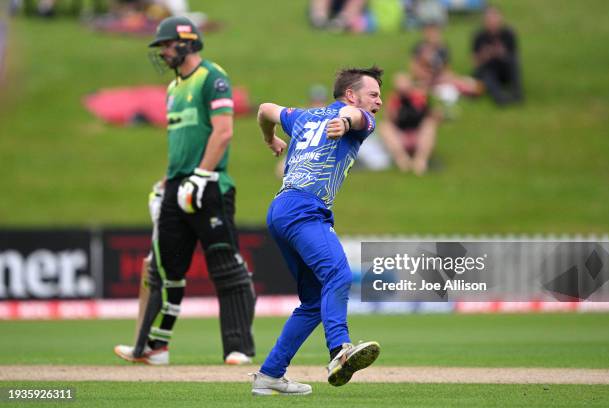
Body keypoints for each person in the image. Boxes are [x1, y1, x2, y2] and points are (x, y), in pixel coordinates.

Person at [114, 16, 256, 366]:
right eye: (160, 47)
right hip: (178, 186)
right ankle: (154, 346)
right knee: (164, 269)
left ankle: (238, 348)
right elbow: (179, 143)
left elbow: (223, 133)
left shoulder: (212, 77)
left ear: (187, 42)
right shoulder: (173, 88)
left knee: (224, 266)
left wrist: (200, 176)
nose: (162, 52)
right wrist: (167, 183)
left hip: (209, 185)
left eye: (166, 45)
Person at [251, 66, 384, 396]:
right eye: (374, 94)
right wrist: (348, 121)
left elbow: (265, 109)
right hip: (304, 209)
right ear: (351, 95)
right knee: (338, 274)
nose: (379, 101)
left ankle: (270, 375)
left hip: (281, 209)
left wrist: (269, 138)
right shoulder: (359, 118)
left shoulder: (303, 118)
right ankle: (339, 349)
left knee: (313, 301)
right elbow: (359, 119)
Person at [378, 72, 441, 175]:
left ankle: (420, 160)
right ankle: (402, 159)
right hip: (401, 137)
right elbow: (389, 120)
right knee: (385, 127)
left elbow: (431, 115)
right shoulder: (394, 100)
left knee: (429, 125)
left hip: (418, 135)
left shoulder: (420, 97)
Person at [411, 22, 482, 96]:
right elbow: (414, 70)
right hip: (424, 79)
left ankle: (468, 88)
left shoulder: (443, 48)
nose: (434, 35)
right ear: (426, 33)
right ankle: (468, 89)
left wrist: (441, 75)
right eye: (431, 32)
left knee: (450, 78)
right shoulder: (419, 48)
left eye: (436, 32)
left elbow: (447, 68)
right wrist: (427, 76)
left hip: (440, 77)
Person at [472, 5, 523, 105]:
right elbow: (475, 63)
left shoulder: (508, 34)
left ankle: (517, 94)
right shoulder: (479, 36)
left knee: (513, 62)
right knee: (485, 73)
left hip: (504, 68)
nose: (492, 22)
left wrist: (502, 53)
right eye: (489, 19)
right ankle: (500, 98)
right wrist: (486, 55)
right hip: (489, 69)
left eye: (495, 17)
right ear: (484, 21)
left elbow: (515, 56)